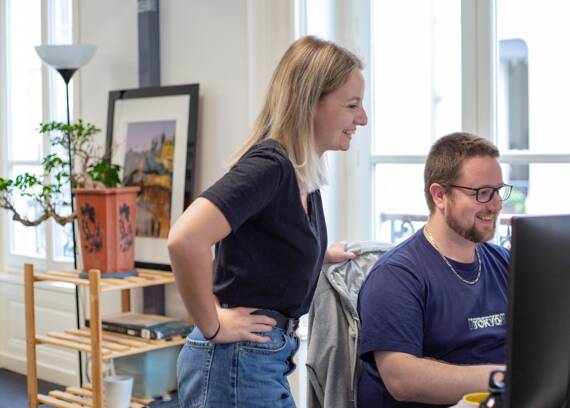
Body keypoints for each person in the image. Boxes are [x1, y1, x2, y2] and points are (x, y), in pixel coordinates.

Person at [168, 35, 367, 408]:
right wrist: (211, 324)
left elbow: (267, 243)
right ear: (311, 102)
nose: (362, 119)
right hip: (237, 361)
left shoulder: (301, 175)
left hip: (261, 358)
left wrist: (319, 254)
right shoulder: (269, 167)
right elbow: (185, 239)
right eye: (352, 105)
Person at [357, 132, 512, 408]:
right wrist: (503, 377)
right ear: (440, 195)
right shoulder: (396, 276)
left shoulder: (505, 263)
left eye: (499, 191)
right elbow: (403, 379)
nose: (496, 205)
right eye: (483, 193)